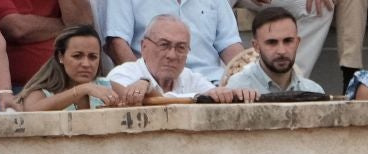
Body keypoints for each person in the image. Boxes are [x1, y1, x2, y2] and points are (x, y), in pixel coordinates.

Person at [107, 16, 256, 100]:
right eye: (164, 45)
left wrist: (236, 94)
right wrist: (199, 97)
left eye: (181, 48)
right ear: (144, 47)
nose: (172, 55)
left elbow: (214, 94)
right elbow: (149, 102)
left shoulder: (190, 77)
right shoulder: (124, 73)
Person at [103, 0, 239, 84]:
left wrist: (248, 75)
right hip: (156, 85)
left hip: (211, 84)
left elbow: (231, 45)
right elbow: (117, 44)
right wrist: (144, 82)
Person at [17, 23, 132, 108]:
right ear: (60, 57)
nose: (86, 64)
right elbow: (31, 111)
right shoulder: (43, 92)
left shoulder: (107, 86)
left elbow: (143, 100)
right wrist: (83, 89)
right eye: (77, 56)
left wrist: (144, 84)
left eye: (93, 57)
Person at [224, 5, 326, 94]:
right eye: (272, 42)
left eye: (288, 41)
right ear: (256, 46)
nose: (281, 51)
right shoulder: (237, 89)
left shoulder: (314, 92)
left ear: (297, 42)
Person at [0, 0, 86, 89]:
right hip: (20, 87)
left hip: (69, 80)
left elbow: (82, 22)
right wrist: (66, 27)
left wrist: (72, 27)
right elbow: (16, 29)